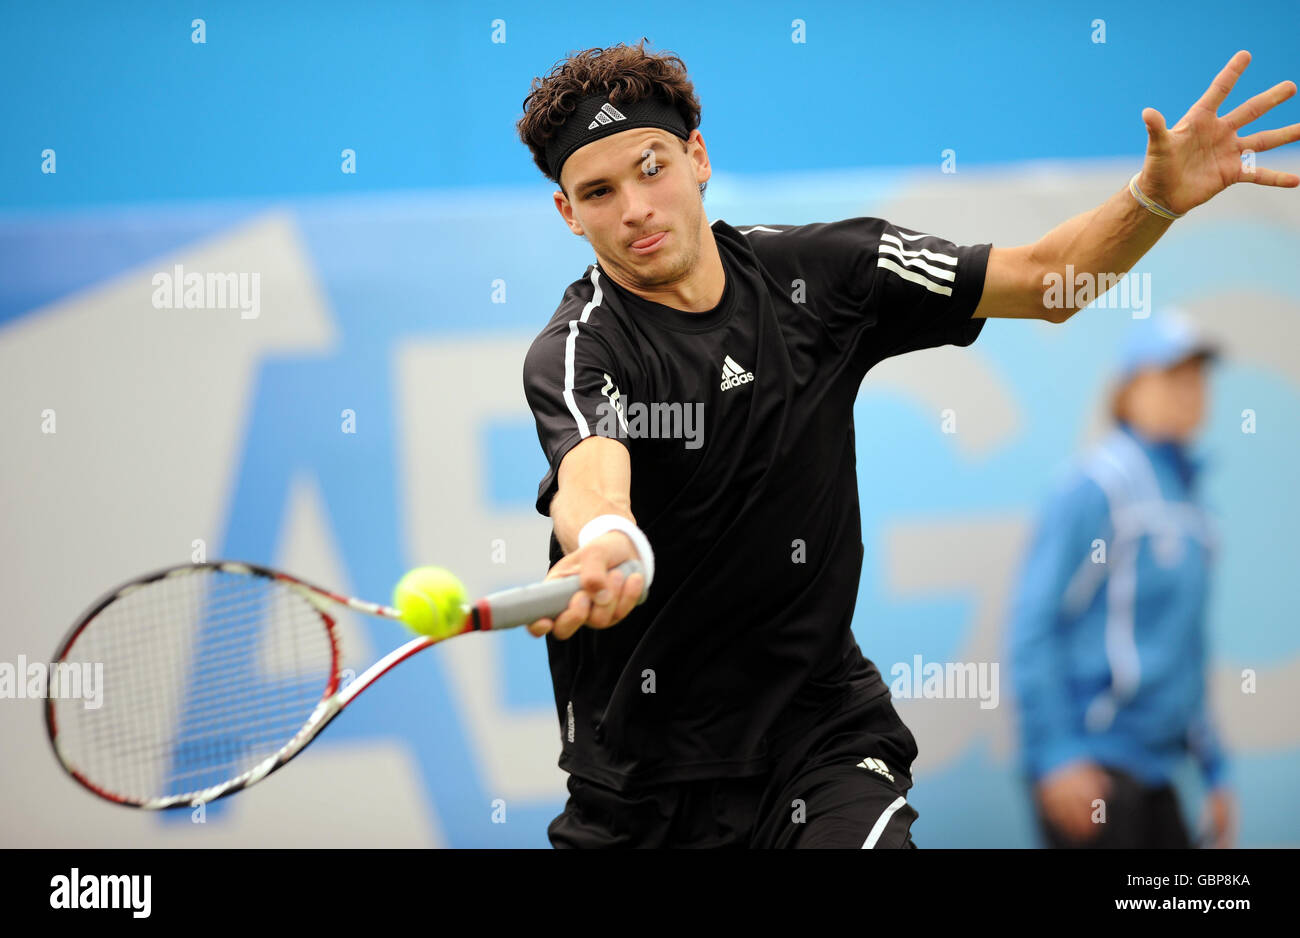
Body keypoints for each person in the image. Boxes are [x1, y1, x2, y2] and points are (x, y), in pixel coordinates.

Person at [513, 39, 1296, 847]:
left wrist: (1154, 199)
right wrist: (607, 539)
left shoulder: (827, 273)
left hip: (818, 742)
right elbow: (592, 478)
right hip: (640, 785)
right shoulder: (580, 348)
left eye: (651, 167)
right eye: (598, 192)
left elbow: (1046, 282)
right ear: (570, 213)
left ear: (697, 157)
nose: (635, 207)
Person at [1008, 311, 1235, 848]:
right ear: (1129, 391)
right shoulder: (1095, 486)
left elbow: (1186, 647)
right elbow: (1032, 625)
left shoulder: (1193, 504)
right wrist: (1058, 755)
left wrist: (1216, 770)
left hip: (1159, 775)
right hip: (1095, 772)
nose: (1189, 391)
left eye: (1197, 377)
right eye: (1171, 375)